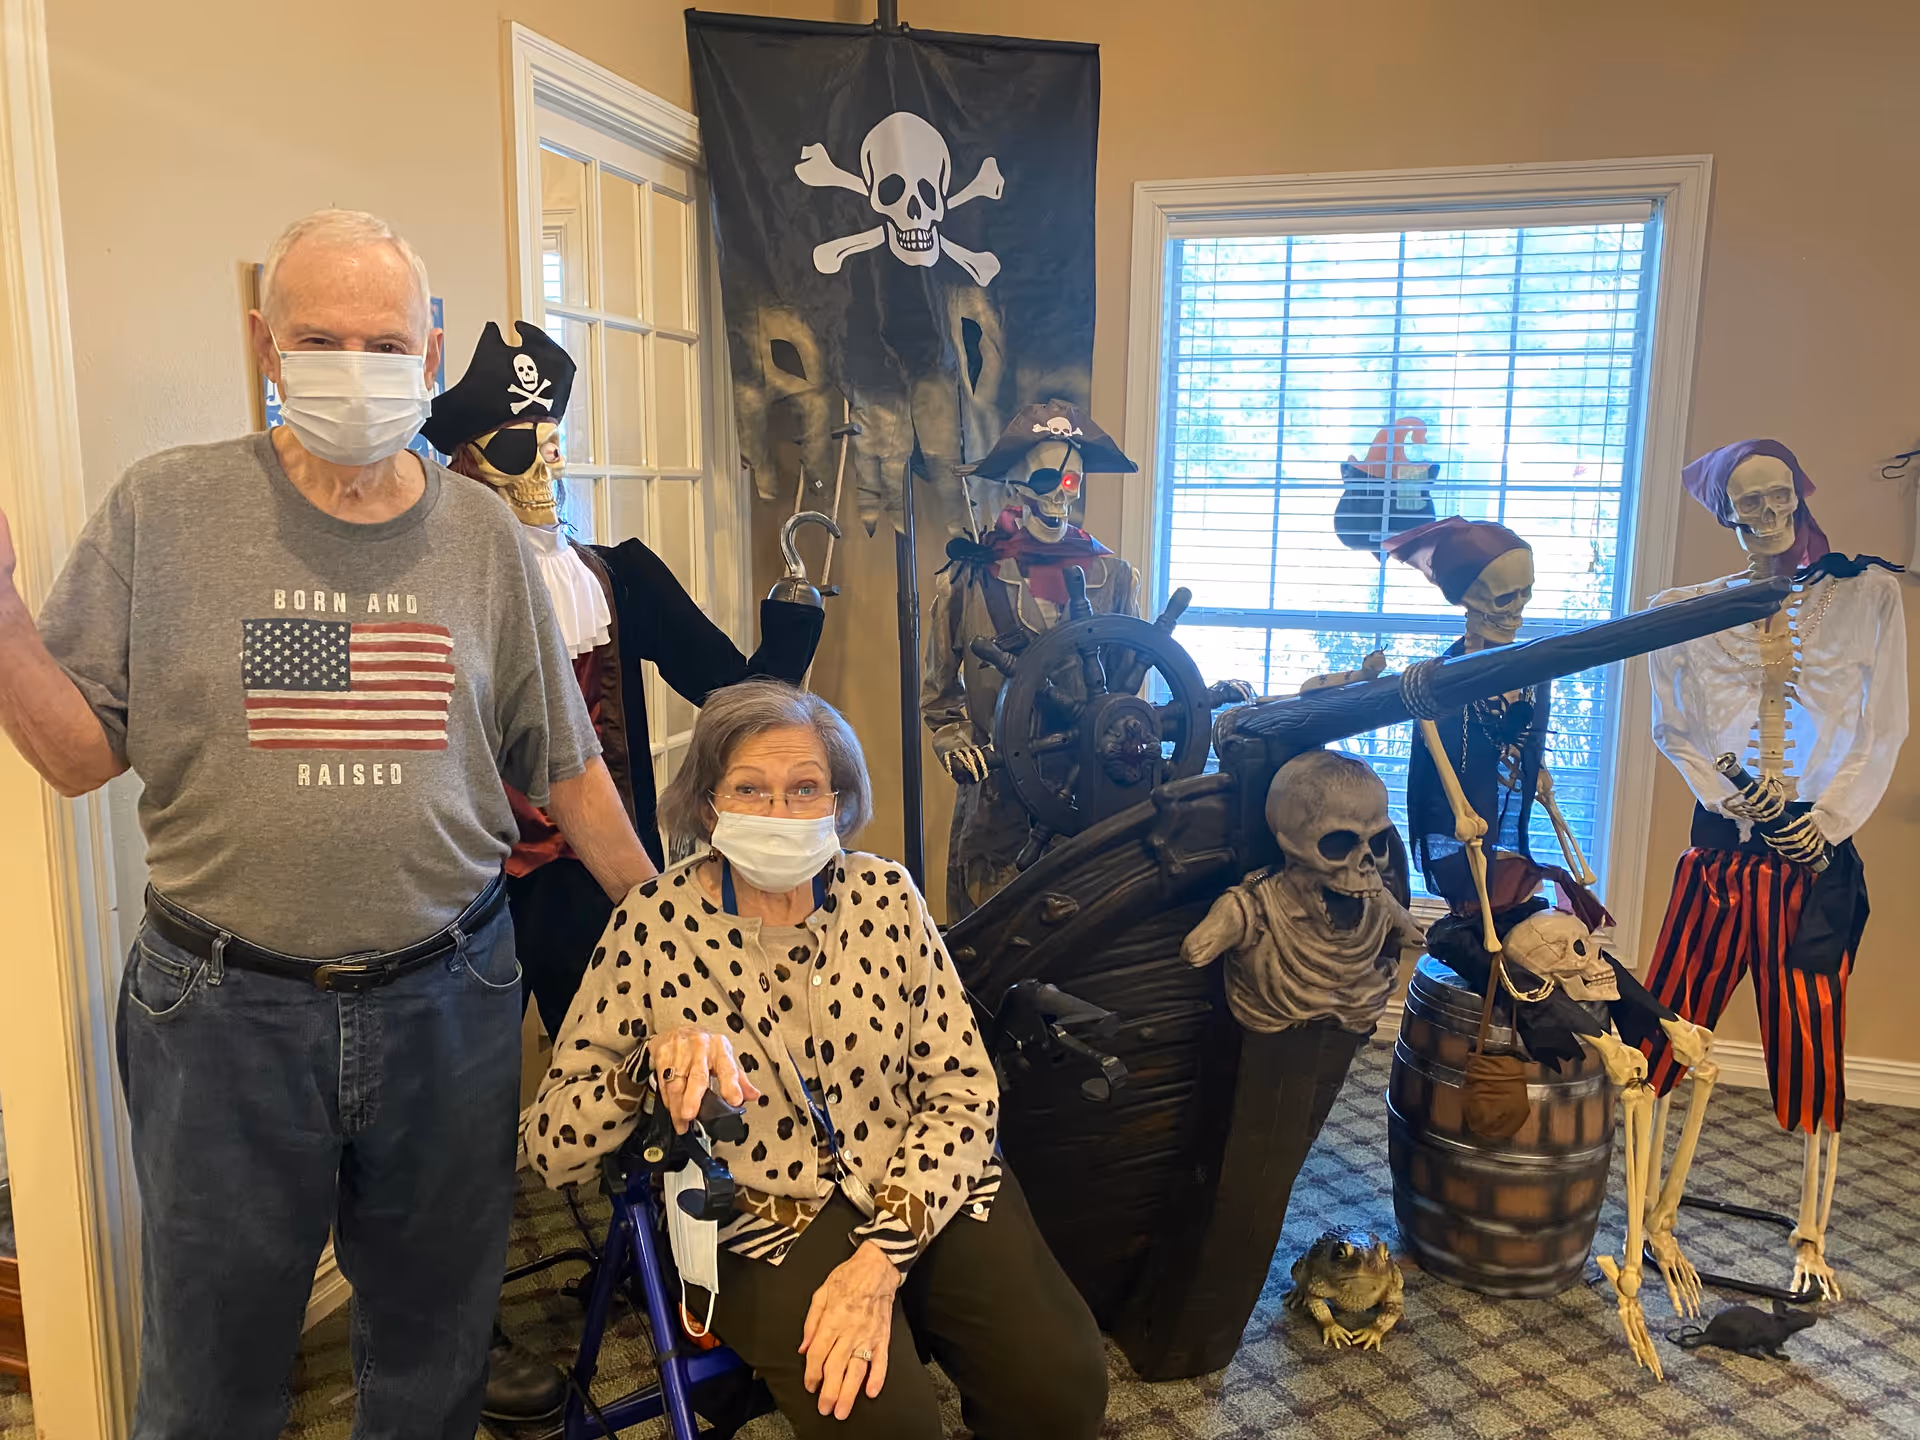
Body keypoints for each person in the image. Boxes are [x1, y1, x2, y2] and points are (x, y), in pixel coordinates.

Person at [0, 208, 656, 1439]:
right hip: (221, 1013)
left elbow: (566, 763)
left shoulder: (485, 538)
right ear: (263, 342)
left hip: (450, 999)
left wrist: (668, 929)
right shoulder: (165, 509)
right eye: (317, 337)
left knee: (432, 1351)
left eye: (384, 340)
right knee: (208, 1370)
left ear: (431, 350)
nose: (353, 366)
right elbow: (81, 755)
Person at [422, 321, 823, 1420]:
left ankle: (693, 1290)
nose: (541, 462)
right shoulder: (430, 582)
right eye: (513, 443)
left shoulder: (617, 578)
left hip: (604, 885)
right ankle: (462, 1339)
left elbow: (733, 695)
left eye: (550, 435)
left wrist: (795, 619)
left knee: (666, 1100)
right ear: (463, 460)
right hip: (463, 900)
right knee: (455, 1128)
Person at [532, 680, 1108, 1439]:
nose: (778, 812)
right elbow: (548, 1151)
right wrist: (641, 1068)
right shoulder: (651, 926)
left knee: (1061, 1391)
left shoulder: (886, 897)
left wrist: (880, 1262)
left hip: (920, 1175)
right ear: (709, 806)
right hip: (755, 1213)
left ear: (838, 802)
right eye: (750, 789)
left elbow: (964, 1089)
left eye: (805, 788)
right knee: (885, 1426)